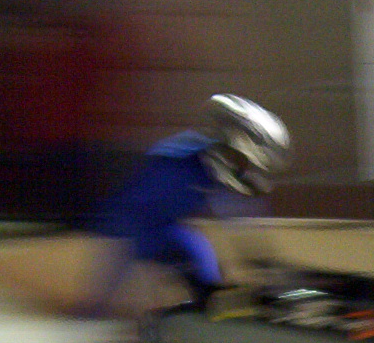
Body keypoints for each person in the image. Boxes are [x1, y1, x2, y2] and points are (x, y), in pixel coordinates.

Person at [76, 94, 290, 316]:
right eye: (241, 159)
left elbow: (240, 222)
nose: (243, 169)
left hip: (153, 229)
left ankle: (196, 312)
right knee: (196, 255)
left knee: (200, 257)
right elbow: (132, 220)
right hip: (130, 230)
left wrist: (266, 266)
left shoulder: (209, 166)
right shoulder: (176, 161)